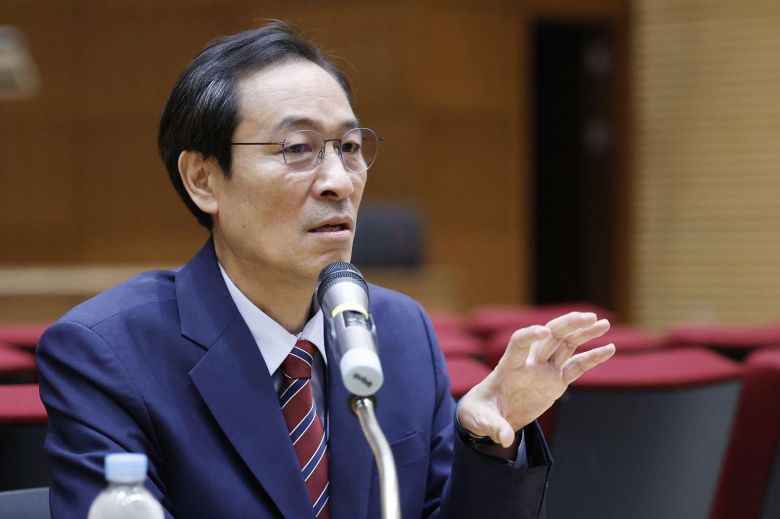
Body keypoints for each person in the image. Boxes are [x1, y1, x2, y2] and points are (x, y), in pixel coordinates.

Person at [37, 21, 615, 518]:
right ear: (203, 179)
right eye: (298, 149)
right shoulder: (107, 354)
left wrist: (486, 442)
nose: (339, 181)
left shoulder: (400, 332)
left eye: (350, 148)